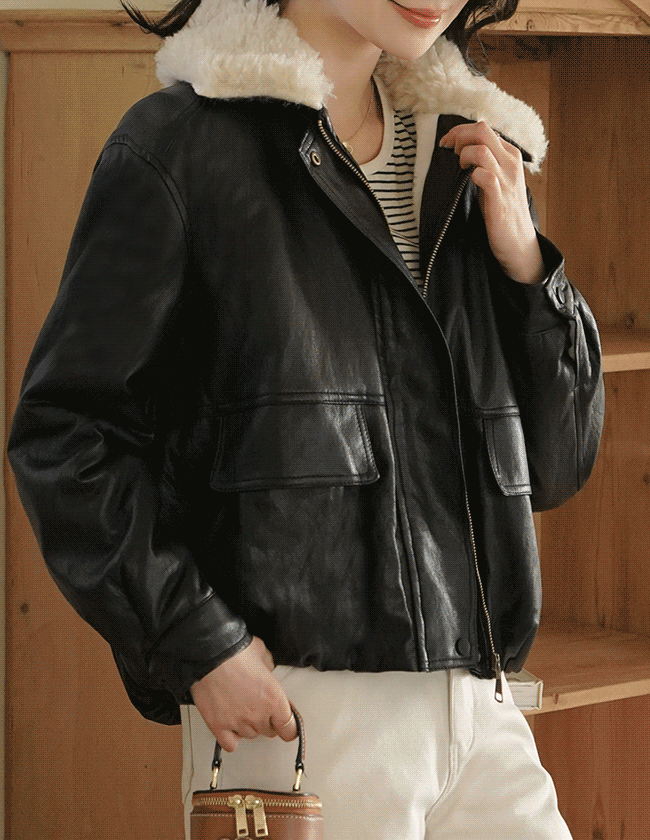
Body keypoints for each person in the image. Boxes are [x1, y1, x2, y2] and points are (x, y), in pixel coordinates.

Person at [7, 0, 605, 836]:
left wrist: (531, 274)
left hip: (482, 699)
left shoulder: (470, 154)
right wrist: (195, 640)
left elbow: (559, 463)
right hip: (300, 717)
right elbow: (68, 437)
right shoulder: (179, 147)